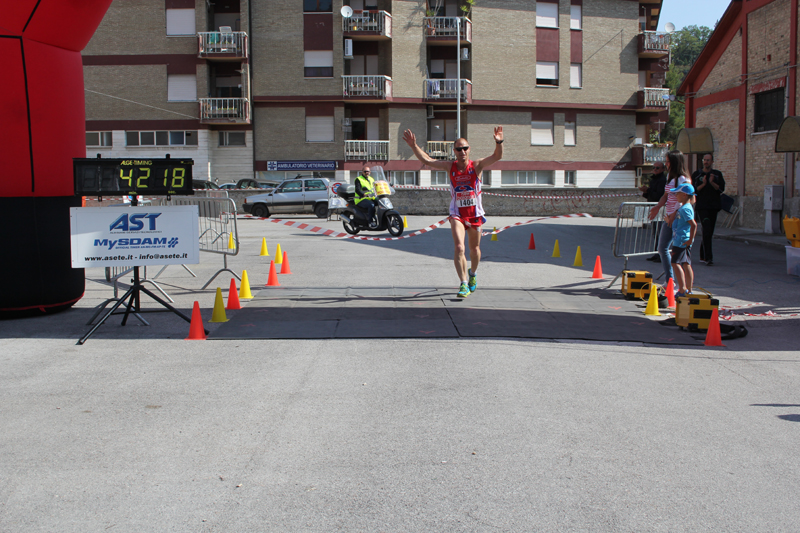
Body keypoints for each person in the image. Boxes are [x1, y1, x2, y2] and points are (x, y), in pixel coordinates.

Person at [403, 126, 504, 298]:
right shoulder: (450, 166)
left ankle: (473, 274)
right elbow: (428, 160)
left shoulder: (477, 165)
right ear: (454, 151)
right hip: (457, 214)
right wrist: (413, 146)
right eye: (459, 149)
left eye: (465, 148)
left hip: (475, 214)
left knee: (475, 250)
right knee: (459, 247)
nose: (462, 151)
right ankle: (463, 283)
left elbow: (497, 156)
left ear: (469, 149)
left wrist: (499, 142)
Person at [648, 150, 691, 291]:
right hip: (669, 218)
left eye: (668, 161)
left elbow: (685, 200)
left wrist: (674, 215)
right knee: (662, 248)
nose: (666, 164)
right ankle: (670, 280)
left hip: (678, 219)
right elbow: (665, 196)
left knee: (679, 255)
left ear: (675, 162)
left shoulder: (683, 179)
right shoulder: (670, 177)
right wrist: (657, 207)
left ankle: (684, 287)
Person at [691, 153, 725, 266]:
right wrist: (704, 184)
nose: (706, 162)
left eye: (708, 160)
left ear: (712, 162)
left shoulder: (717, 174)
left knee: (709, 232)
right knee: (706, 229)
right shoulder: (697, 174)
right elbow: (693, 190)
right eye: (704, 160)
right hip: (702, 207)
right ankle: (708, 258)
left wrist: (711, 182)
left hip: (714, 207)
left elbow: (721, 189)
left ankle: (703, 255)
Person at [669, 182, 698, 297]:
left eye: (677, 193)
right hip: (683, 239)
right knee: (686, 263)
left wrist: (690, 239)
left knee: (675, 263)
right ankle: (689, 290)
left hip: (681, 240)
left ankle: (682, 289)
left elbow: (693, 224)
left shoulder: (685, 209)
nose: (676, 195)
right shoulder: (685, 207)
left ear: (684, 195)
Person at [640, 161, 667, 262]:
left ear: (662, 169)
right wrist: (645, 191)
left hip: (659, 208)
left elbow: (659, 195)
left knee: (660, 232)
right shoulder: (653, 179)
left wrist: (648, 191)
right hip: (653, 207)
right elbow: (650, 195)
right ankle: (656, 253)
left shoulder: (662, 180)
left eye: (657, 168)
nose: (655, 169)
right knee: (655, 232)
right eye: (654, 167)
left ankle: (661, 254)